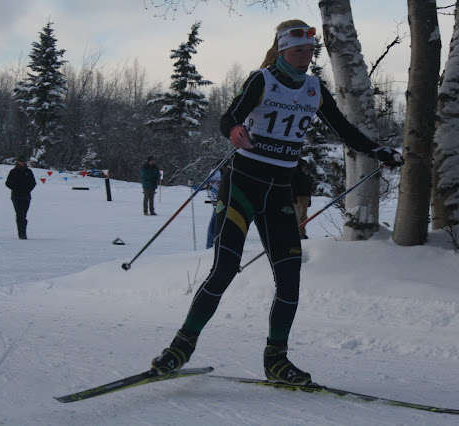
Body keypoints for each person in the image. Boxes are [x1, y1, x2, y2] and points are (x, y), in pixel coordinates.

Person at [150, 19, 403, 384]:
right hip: (242, 186)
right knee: (224, 269)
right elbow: (229, 118)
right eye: (298, 51)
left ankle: (276, 360)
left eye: (310, 52)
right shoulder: (262, 80)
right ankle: (180, 348)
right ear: (283, 50)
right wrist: (234, 130)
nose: (305, 58)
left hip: (278, 193)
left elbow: (343, 129)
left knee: (289, 276)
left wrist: (378, 150)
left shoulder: (314, 89)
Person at [5, 155, 36, 239]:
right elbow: (7, 183)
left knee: (24, 215)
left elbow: (33, 183)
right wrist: (15, 188)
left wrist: (27, 189)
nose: (22, 163)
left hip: (26, 196)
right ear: (17, 162)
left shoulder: (28, 172)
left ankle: (23, 231)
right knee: (20, 214)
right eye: (20, 161)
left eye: (23, 161)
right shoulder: (13, 172)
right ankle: (22, 233)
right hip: (16, 196)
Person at [291, 158, 313, 239]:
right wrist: (293, 196)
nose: (305, 167)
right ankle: (296, 232)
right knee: (298, 216)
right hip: (297, 198)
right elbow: (292, 186)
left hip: (305, 198)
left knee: (304, 216)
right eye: (303, 166)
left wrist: (309, 198)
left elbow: (308, 187)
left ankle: (302, 232)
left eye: (305, 166)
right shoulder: (294, 175)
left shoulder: (306, 176)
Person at [205, 162, 224, 249]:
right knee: (212, 228)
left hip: (221, 207)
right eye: (210, 181)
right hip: (216, 208)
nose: (211, 183)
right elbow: (201, 187)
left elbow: (221, 194)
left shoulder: (220, 185)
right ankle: (209, 247)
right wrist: (193, 185)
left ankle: (216, 246)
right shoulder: (211, 183)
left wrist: (211, 188)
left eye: (213, 181)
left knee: (215, 228)